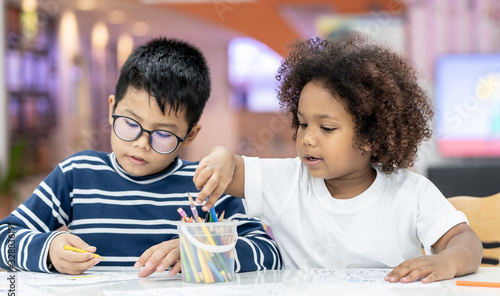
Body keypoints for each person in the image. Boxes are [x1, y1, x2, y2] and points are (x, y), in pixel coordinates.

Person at [193, 33, 482, 283]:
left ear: (371, 136)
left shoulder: (411, 192)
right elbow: (231, 168)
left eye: (327, 128)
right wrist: (221, 157)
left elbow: (465, 241)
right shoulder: (286, 181)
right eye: (303, 123)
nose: (307, 138)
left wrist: (447, 262)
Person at [0, 37, 281, 277]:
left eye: (163, 134)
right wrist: (48, 250)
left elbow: (268, 252)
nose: (141, 144)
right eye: (130, 124)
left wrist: (202, 252)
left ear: (191, 135)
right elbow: (5, 237)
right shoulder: (77, 174)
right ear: (112, 110)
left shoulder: (207, 185)